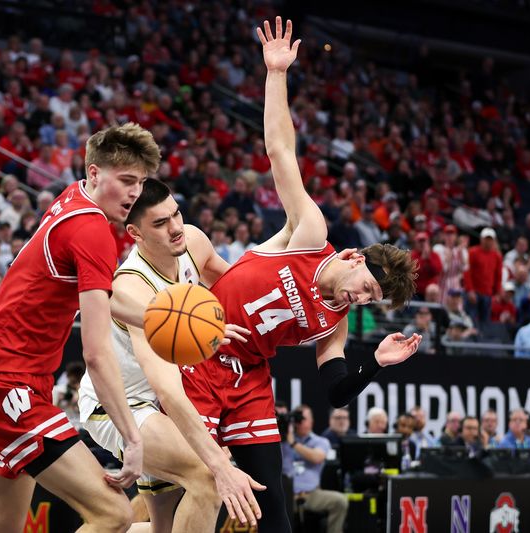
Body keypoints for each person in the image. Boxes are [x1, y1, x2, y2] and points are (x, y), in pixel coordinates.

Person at [177, 20, 421, 532]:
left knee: (273, 511)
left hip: (248, 380)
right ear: (355, 257)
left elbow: (334, 391)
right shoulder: (310, 234)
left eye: (372, 301)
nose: (362, 300)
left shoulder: (335, 323)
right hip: (198, 352)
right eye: (369, 288)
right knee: (188, 493)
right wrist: (276, 75)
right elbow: (280, 153)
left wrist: (374, 363)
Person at [0, 123, 160, 533]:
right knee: (114, 514)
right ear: (94, 173)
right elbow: (95, 353)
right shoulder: (93, 231)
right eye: (126, 181)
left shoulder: (72, 198)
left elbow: (105, 297)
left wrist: (160, 317)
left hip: (2, 380)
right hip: (9, 385)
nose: (135, 193)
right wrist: (133, 437)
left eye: (141, 183)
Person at [80, 178, 265, 530]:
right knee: (209, 476)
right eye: (161, 223)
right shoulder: (132, 289)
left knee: (159, 526)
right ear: (135, 233)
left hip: (158, 406)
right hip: (121, 405)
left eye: (176, 214)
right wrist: (221, 466)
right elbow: (167, 388)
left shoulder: (193, 241)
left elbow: (236, 291)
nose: (176, 228)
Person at [281, 405, 348, 533]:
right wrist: (284, 436)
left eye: (303, 419)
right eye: (297, 419)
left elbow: (317, 458)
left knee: (340, 501)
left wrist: (293, 443)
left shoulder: (321, 441)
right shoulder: (282, 442)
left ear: (312, 421)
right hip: (286, 494)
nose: (299, 422)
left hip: (311, 494)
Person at [464, 227, 503, 326]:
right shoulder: (472, 252)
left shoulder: (497, 256)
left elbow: (498, 276)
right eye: (486, 239)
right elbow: (467, 272)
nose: (488, 242)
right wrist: (470, 290)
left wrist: (497, 293)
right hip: (474, 293)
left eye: (490, 239)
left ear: (494, 241)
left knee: (485, 322)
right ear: (481, 239)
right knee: (471, 320)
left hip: (488, 294)